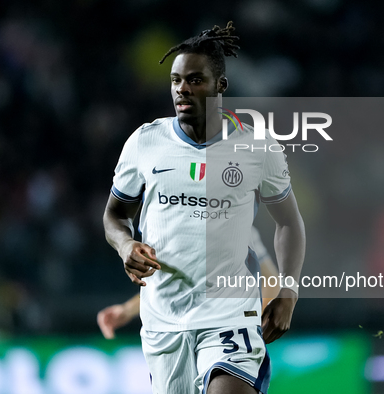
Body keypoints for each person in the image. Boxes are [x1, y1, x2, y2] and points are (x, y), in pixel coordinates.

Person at [103, 21, 305, 394]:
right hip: (164, 320)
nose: (182, 89)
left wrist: (288, 292)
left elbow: (289, 223)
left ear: (220, 86)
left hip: (231, 315)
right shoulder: (145, 143)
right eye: (176, 80)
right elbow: (115, 215)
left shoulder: (257, 148)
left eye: (195, 80)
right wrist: (125, 245)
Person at [98, 227, 281, 339]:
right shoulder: (170, 226)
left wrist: (250, 324)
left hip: (226, 342)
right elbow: (175, 288)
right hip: (182, 338)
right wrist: (127, 310)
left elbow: (271, 282)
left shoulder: (238, 225)